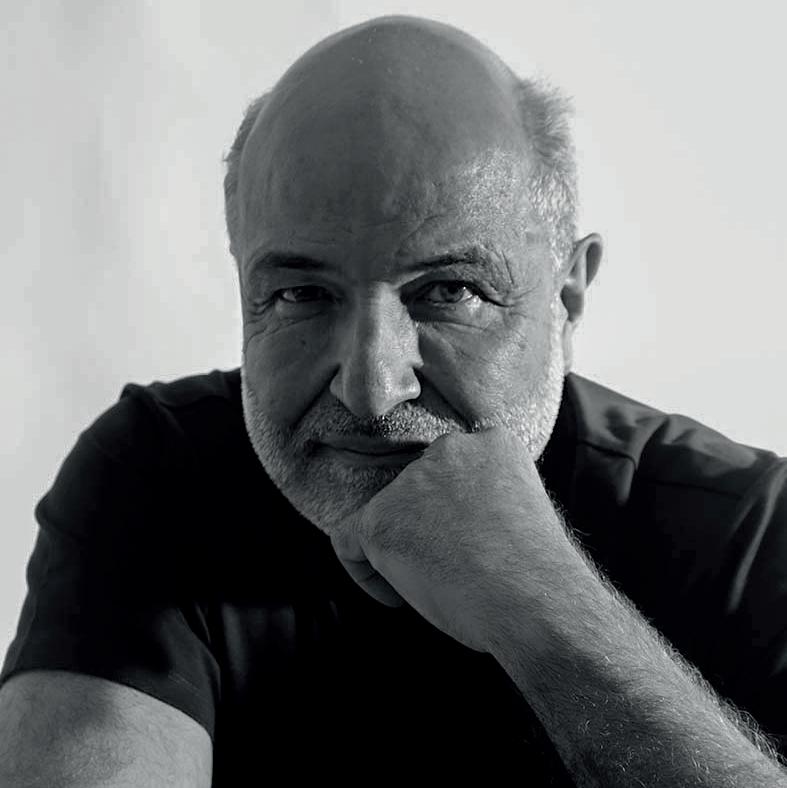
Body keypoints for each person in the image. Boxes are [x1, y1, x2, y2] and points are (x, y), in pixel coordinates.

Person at [0, 14, 785, 787]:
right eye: (302, 294)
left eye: (450, 291)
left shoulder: (743, 528)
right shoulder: (158, 474)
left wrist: (543, 604)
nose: (372, 390)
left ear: (568, 292)